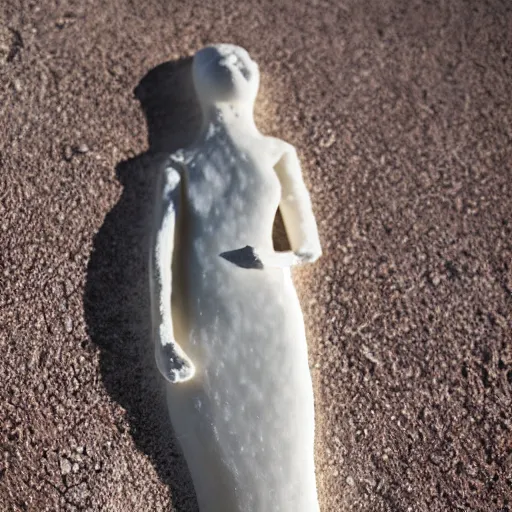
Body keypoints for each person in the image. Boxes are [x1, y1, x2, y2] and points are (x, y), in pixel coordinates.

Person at [150, 43, 322, 512]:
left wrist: (271, 257)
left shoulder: (277, 152)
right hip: (206, 311)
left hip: (268, 311)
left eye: (241, 58)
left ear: (258, 75)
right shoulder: (180, 164)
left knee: (283, 437)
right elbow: (161, 254)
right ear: (198, 82)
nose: (230, 63)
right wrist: (163, 335)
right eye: (215, 59)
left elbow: (308, 246)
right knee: (221, 441)